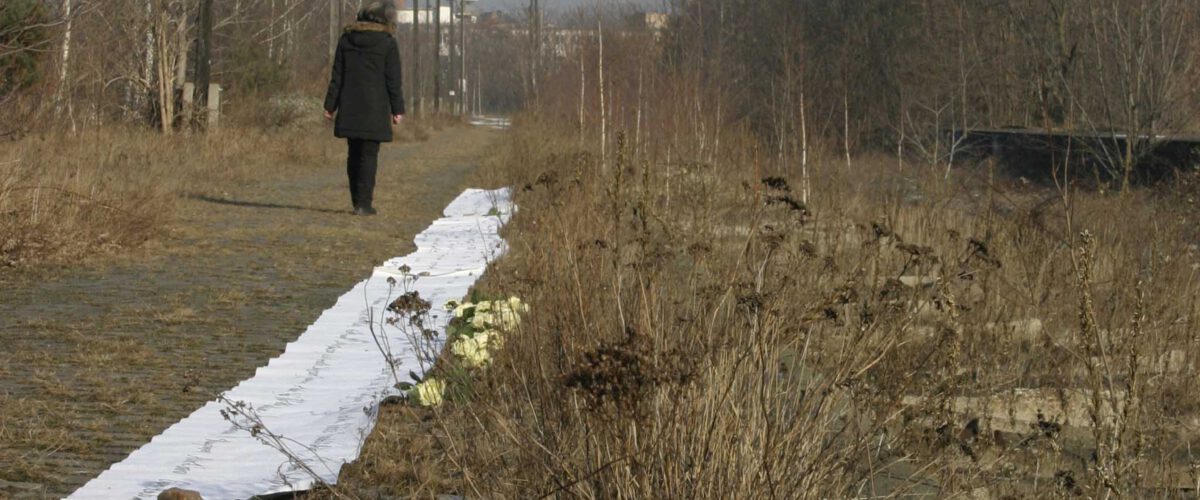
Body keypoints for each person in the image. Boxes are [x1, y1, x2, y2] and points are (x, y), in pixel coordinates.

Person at [323, 1, 404, 216]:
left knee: (353, 152)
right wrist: (397, 110)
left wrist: (329, 106)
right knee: (369, 155)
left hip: (350, 105)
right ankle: (364, 204)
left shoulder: (346, 39)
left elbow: (337, 76)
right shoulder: (387, 43)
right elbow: (393, 80)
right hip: (374, 108)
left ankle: (356, 201)